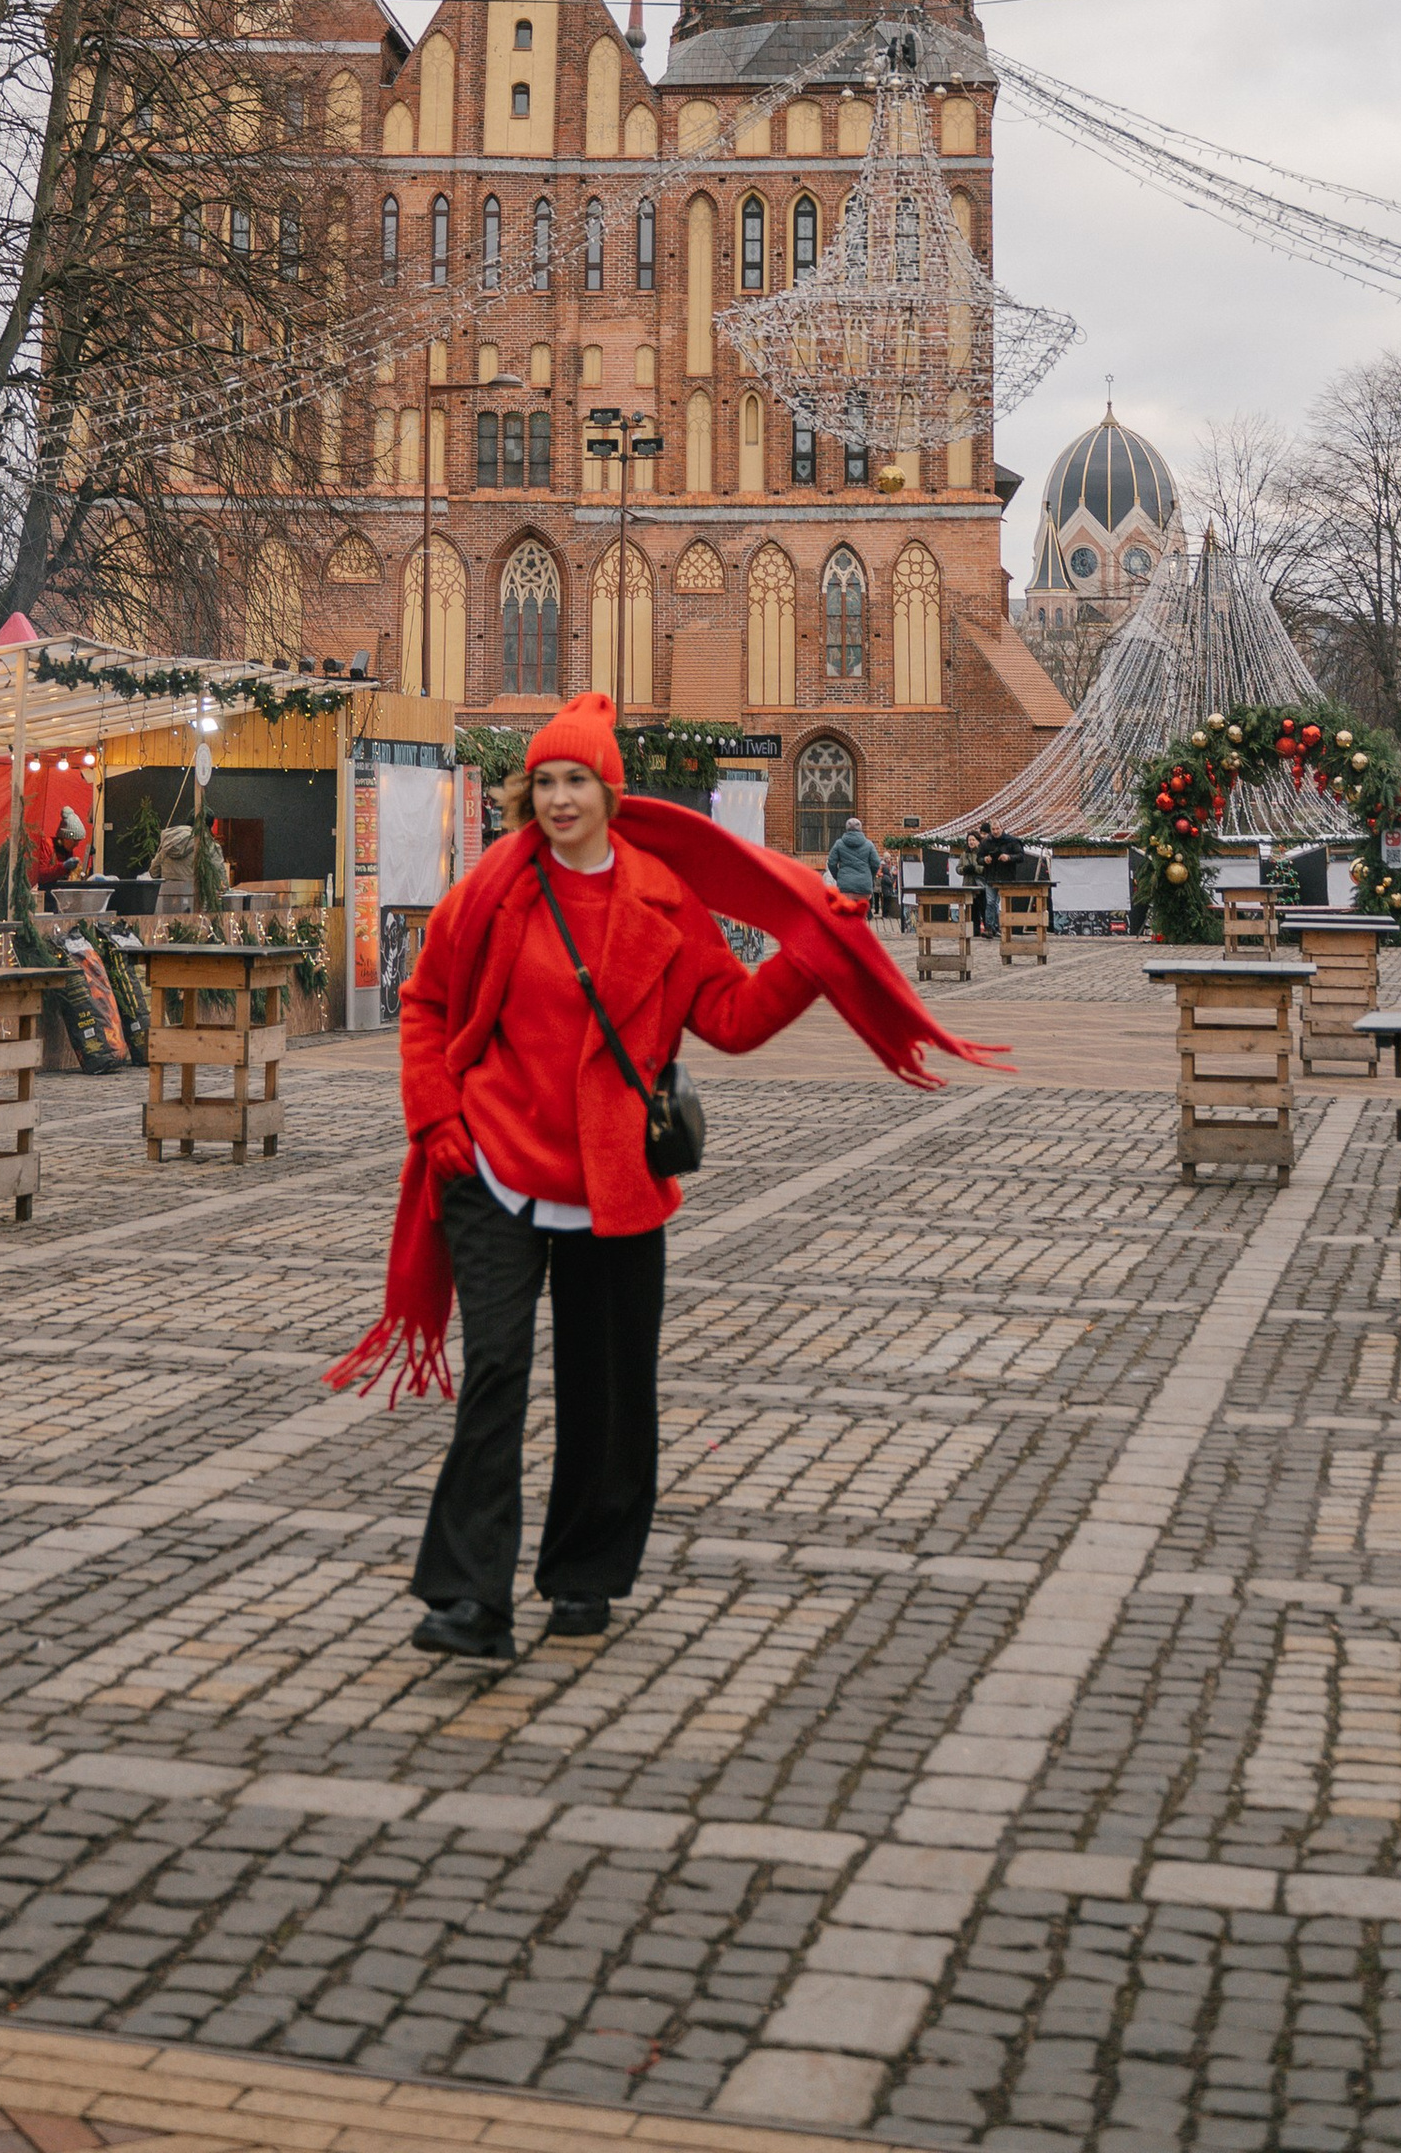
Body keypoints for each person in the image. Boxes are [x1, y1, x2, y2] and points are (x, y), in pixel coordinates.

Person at [331, 693, 1003, 1664]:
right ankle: (470, 1597)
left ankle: (583, 1572)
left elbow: (727, 1017)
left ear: (610, 791)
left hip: (611, 1176)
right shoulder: (492, 888)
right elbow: (427, 1001)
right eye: (545, 783)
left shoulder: (661, 897)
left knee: (609, 1387)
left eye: (577, 781)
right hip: (493, 1163)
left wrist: (810, 959)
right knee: (497, 1373)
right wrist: (435, 1116)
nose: (560, 799)